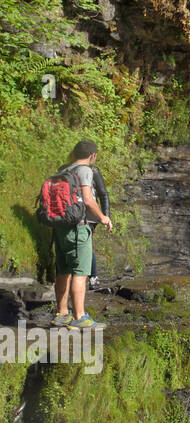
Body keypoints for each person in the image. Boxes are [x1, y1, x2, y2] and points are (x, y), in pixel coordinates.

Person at [51, 140, 112, 330]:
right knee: (81, 272)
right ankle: (80, 317)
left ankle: (62, 314)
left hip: (60, 228)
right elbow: (88, 199)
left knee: (63, 271)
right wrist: (103, 217)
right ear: (92, 155)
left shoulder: (63, 171)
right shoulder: (85, 170)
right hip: (79, 228)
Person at [87, 163, 110, 291]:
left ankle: (93, 276)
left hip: (90, 217)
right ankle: (92, 277)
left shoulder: (93, 171)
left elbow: (103, 194)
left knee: (87, 245)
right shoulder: (66, 169)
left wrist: (106, 217)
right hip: (69, 215)